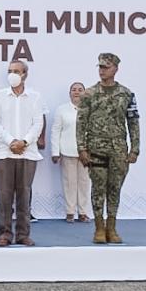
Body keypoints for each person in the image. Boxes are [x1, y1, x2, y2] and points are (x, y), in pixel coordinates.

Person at [77, 53, 140, 244]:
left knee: (115, 189)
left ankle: (111, 227)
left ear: (115, 69)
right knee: (98, 189)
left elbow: (133, 122)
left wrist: (135, 148)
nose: (102, 70)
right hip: (96, 148)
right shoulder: (89, 94)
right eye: (100, 67)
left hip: (119, 149)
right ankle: (99, 228)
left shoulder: (127, 94)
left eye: (106, 67)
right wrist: (82, 148)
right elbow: (81, 122)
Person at [0, 60, 46, 247]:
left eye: (16, 71)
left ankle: (23, 234)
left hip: (27, 153)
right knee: (5, 196)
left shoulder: (35, 97)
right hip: (5, 152)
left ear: (25, 74)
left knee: (24, 195)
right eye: (9, 71)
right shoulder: (0, 96)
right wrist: (11, 141)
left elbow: (38, 123)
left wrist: (25, 142)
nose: (12, 74)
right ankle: (5, 234)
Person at [51, 82, 90, 223]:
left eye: (80, 90)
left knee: (84, 183)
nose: (77, 92)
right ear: (69, 93)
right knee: (69, 183)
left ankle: (83, 212)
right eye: (74, 90)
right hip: (67, 151)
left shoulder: (90, 109)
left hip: (86, 153)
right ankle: (70, 212)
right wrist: (55, 152)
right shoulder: (62, 110)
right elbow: (56, 131)